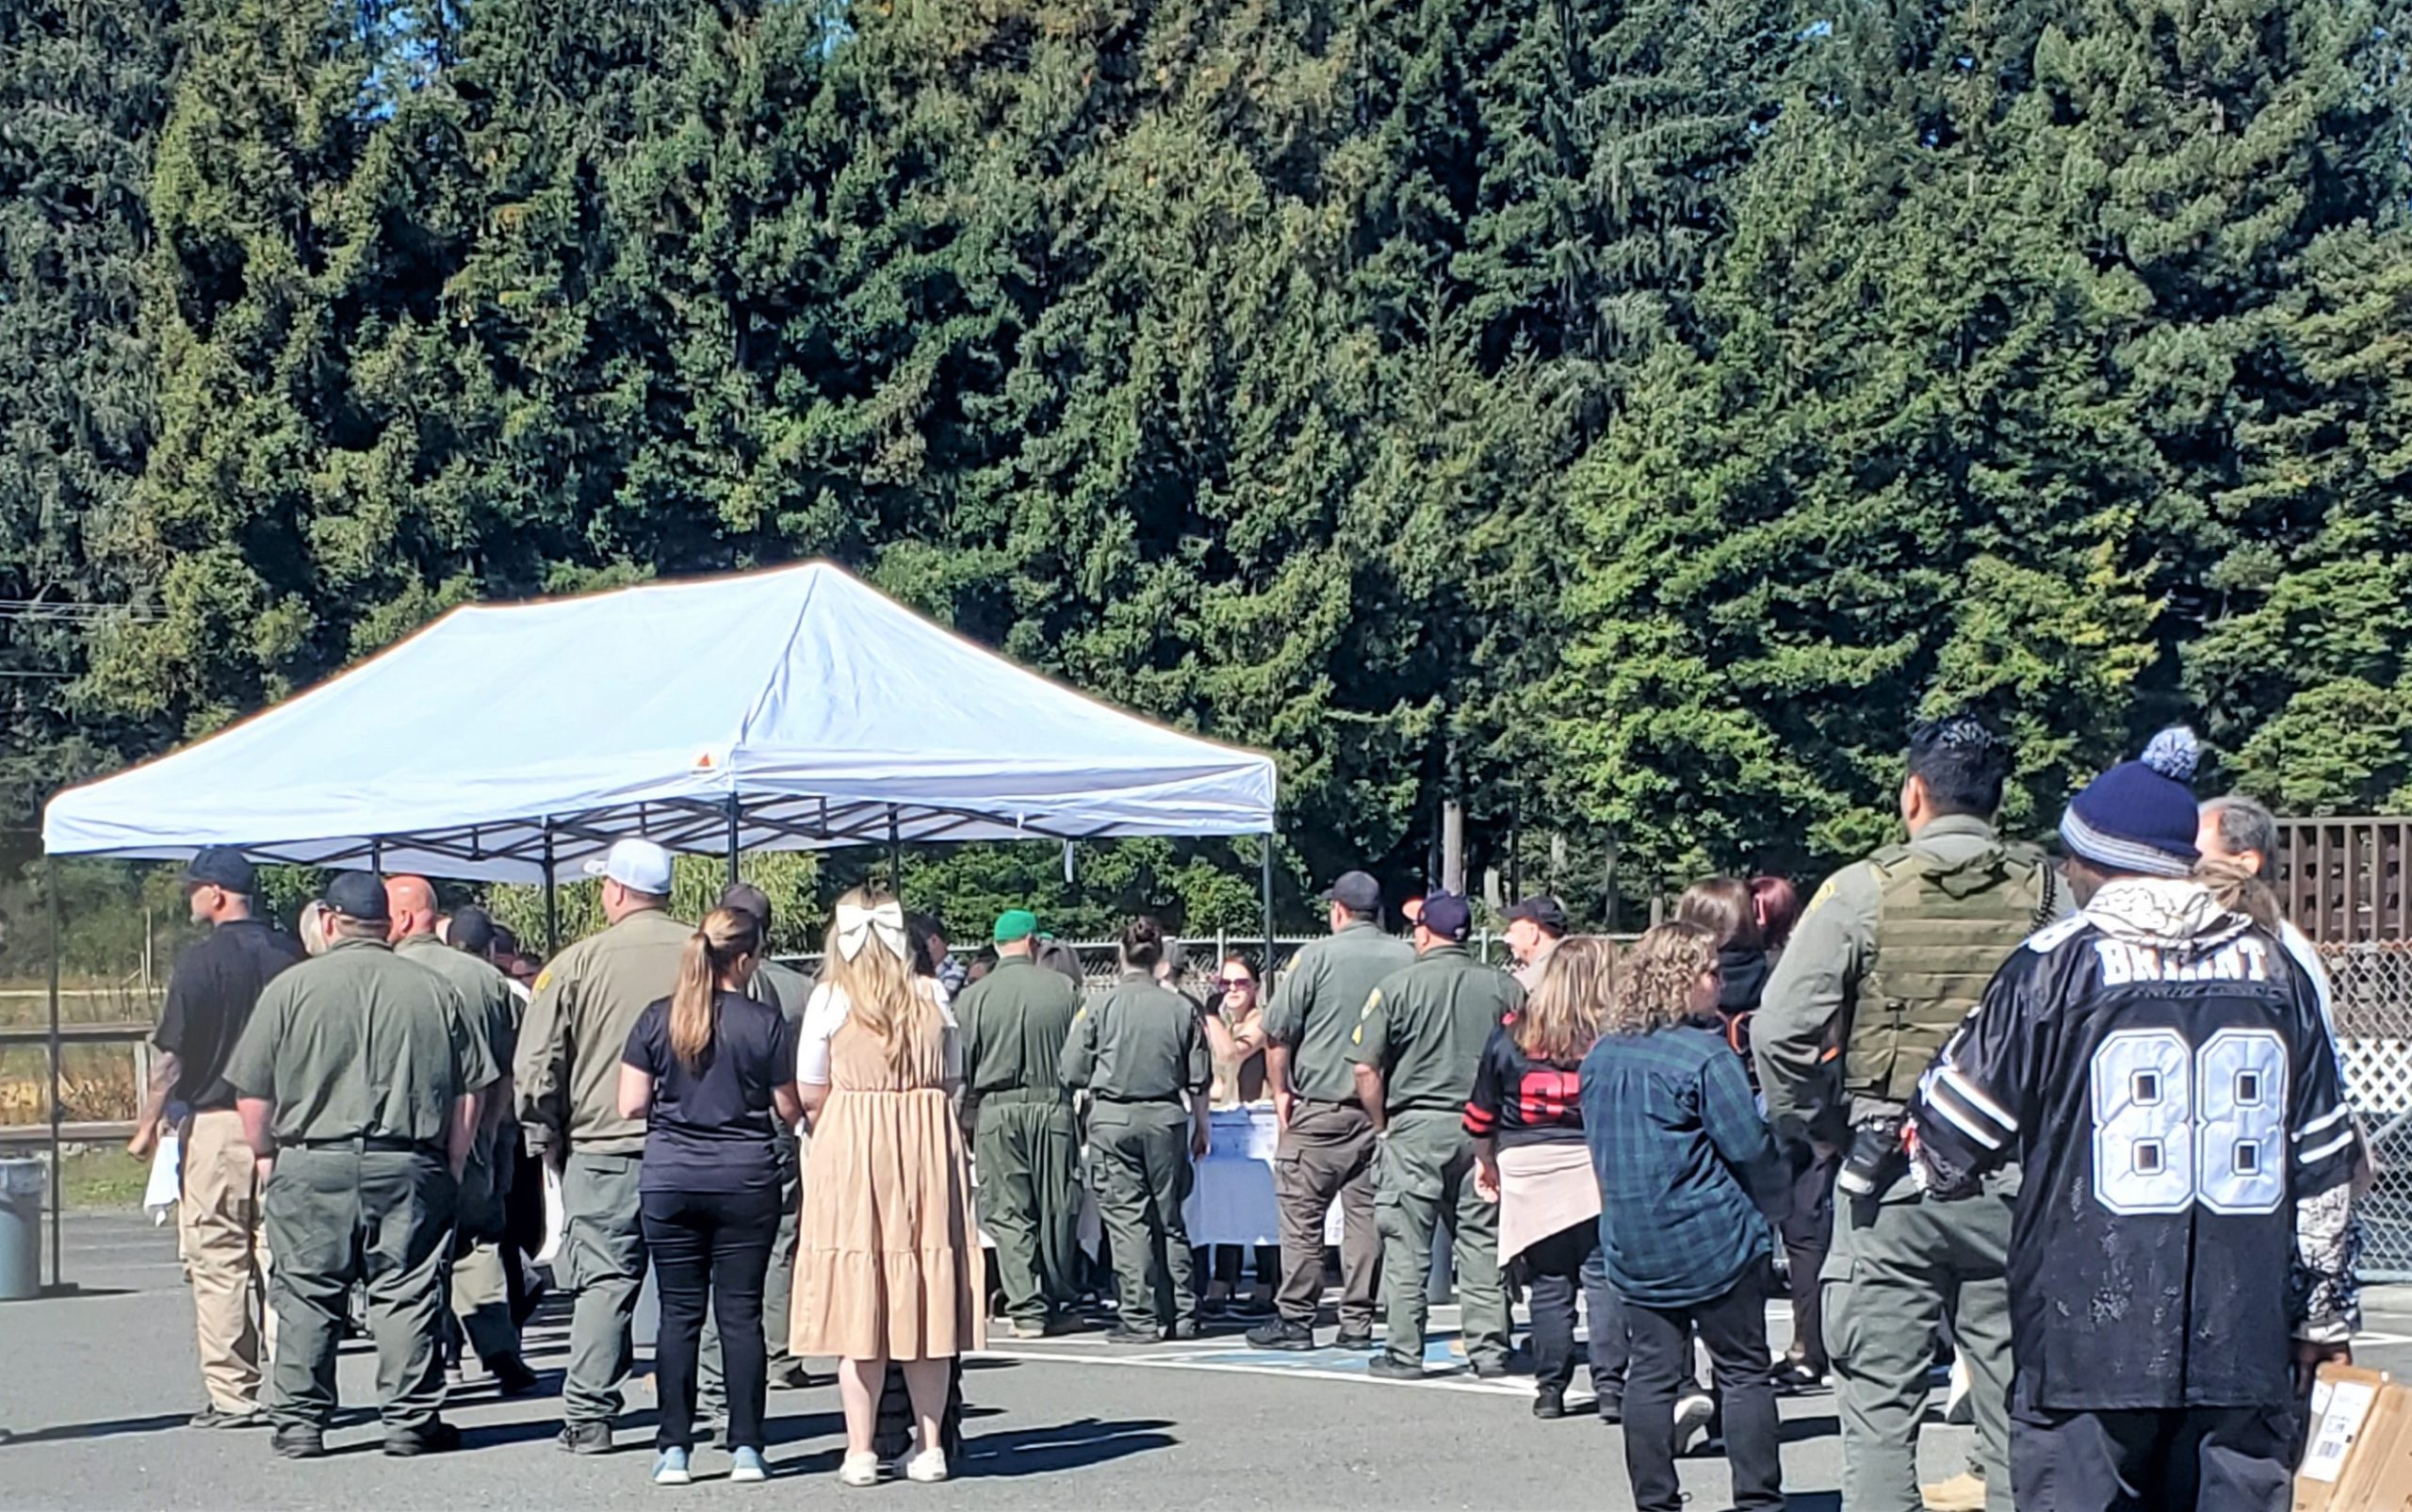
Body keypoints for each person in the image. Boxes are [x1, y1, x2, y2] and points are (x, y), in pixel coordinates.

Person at [1909, 728, 2359, 1511]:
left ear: (2090, 859)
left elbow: (1945, 1150)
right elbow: (2325, 1164)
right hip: (2243, 1333)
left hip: (2086, 1329)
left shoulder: (2054, 965)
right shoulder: (2276, 967)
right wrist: (2321, 1310)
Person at [1752, 714, 2064, 1512]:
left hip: (1886, 1167)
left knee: (1880, 1409)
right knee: (2019, 1407)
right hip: (2017, 1174)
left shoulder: (1862, 890)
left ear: (1913, 793)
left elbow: (1780, 1028)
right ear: (1998, 799)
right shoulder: (2050, 892)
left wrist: (1815, 1127)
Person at [225, 871, 498, 1459]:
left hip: (311, 1158)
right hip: (408, 1160)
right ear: (390, 923)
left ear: (329, 921)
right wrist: (454, 1156)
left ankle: (300, 1420)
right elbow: (471, 1088)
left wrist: (268, 1154)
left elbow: (252, 1091)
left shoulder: (290, 989)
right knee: (407, 1290)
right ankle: (409, 1418)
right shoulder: (434, 989)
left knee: (305, 1291)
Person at [1583, 922, 1788, 1512]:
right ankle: (1757, 1501)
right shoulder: (1705, 1055)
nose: (1718, 982)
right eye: (1709, 972)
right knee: (1744, 1371)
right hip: (1712, 1235)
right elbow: (1748, 1145)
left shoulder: (1602, 1055)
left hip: (1633, 1238)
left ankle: (1655, 1501)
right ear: (1681, 980)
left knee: (1649, 1374)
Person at [790, 889, 981, 1487]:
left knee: (859, 1297)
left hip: (855, 1143)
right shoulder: (932, 994)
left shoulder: (829, 998)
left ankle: (861, 1450)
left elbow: (810, 1088)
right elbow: (952, 1078)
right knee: (926, 1298)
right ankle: (930, 1448)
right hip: (925, 1144)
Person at [513, 837, 693, 1455]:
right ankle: (720, 1406)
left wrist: (545, 1131)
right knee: (704, 1282)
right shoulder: (706, 954)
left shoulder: (575, 963)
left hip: (603, 1144)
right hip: (699, 1142)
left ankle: (590, 1412)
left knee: (607, 1281)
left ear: (615, 890)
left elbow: (537, 1064)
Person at [618, 906, 803, 1488]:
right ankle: (747, 1446)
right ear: (745, 959)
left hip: (671, 1178)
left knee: (678, 1315)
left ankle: (674, 1447)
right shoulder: (762, 1021)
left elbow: (630, 1103)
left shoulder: (657, 1018)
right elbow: (788, 1107)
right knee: (740, 1315)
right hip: (745, 1178)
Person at [127, 847, 305, 1430]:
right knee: (283, 1253)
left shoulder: (200, 965)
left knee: (218, 1255)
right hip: (288, 1121)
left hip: (218, 1120)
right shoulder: (291, 956)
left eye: (196, 887)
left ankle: (234, 1392)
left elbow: (172, 1057)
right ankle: (295, 1378)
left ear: (218, 894)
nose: (190, 897)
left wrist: (148, 1121)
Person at [1350, 890, 1522, 1380]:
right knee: (1482, 1239)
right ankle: (1489, 1349)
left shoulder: (1398, 988)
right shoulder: (1503, 988)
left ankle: (1405, 1351)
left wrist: (1383, 1124)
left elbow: (1366, 1068)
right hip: (1485, 1128)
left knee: (1407, 1242)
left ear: (1424, 931)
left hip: (1415, 1126)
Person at [1245, 870, 1413, 1352]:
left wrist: (1282, 1090)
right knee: (1365, 1216)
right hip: (1382, 1107)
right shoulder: (1406, 957)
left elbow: (1277, 1031)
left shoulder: (1315, 957)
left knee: (1301, 1212)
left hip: (1322, 1105)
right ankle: (1357, 1319)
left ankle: (1297, 1317)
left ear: (1338, 910)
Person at [383, 877, 538, 1398]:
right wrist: (490, 1134)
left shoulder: (388, 977)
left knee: (414, 1251)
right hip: (479, 1131)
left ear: (403, 919)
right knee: (480, 1242)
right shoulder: (486, 979)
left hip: (410, 1135)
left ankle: (435, 1357)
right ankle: (500, 1350)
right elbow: (507, 1067)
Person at [1680, 874, 1828, 1394]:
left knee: (1722, 1236)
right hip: (1781, 1102)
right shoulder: (1779, 970)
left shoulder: (1687, 979)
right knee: (1804, 1233)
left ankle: (1701, 1368)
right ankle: (1809, 1346)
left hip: (1710, 1107)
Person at [1468, 935, 1621, 1421]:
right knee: (1603, 1281)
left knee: (1549, 1283)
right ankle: (1612, 1387)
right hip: (1597, 1162)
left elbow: (1480, 1112)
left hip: (1528, 1164)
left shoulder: (1513, 1033)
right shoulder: (1615, 1035)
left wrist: (1485, 1161)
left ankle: (1550, 1389)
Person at [1062, 917, 1213, 1345]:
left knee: (1128, 1221)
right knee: (1170, 1217)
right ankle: (1182, 1312)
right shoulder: (1182, 1008)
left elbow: (1071, 1069)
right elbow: (1199, 1077)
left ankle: (1140, 1317)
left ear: (1119, 954)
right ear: (1161, 957)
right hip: (1167, 1117)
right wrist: (1201, 1126)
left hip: (1112, 1118)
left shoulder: (1100, 1006)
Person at [699, 882, 817, 1423]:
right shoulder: (799, 992)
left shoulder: (683, 990)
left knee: (705, 1259)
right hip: (773, 1125)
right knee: (780, 1241)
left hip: (701, 1132)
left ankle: (712, 1369)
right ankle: (779, 1349)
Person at [953, 908, 1084, 1339]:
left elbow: (961, 1070)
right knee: (1057, 1206)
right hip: (1053, 1106)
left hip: (996, 1109)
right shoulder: (1064, 989)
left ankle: (1026, 1308)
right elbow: (1082, 1058)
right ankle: (1055, 1296)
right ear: (1032, 943)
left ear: (997, 945)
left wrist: (959, 1120)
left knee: (1008, 1210)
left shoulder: (972, 998)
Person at [1198, 954, 1277, 1317]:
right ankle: (1223, 1278)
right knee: (1224, 1204)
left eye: (1240, 983)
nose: (1232, 991)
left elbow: (1232, 1055)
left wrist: (1209, 1016)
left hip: (1259, 1122)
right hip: (1225, 1121)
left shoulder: (1262, 1020)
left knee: (1260, 1208)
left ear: (1255, 987)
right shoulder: (1223, 1025)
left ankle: (1267, 1281)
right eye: (1225, 984)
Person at [1503, 895, 1569, 991]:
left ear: (1532, 934)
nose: (1506, 938)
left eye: (1512, 931)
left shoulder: (1523, 984)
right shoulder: (1584, 963)